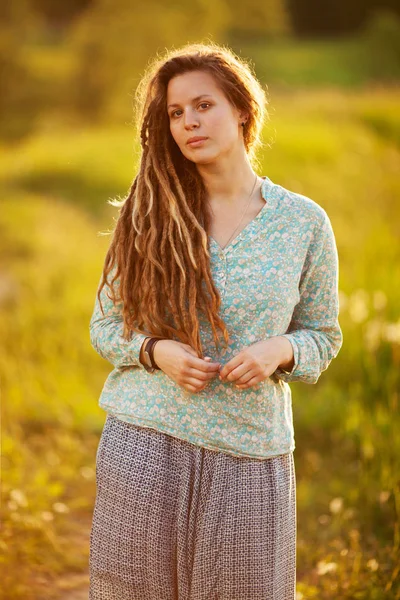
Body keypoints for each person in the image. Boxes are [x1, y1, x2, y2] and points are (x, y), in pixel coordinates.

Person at [88, 42, 343, 600]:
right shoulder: (149, 211)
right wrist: (157, 352)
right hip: (144, 442)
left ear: (243, 110)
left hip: (251, 453)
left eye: (203, 105)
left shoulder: (303, 223)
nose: (188, 123)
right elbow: (106, 327)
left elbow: (323, 334)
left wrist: (281, 350)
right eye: (175, 114)